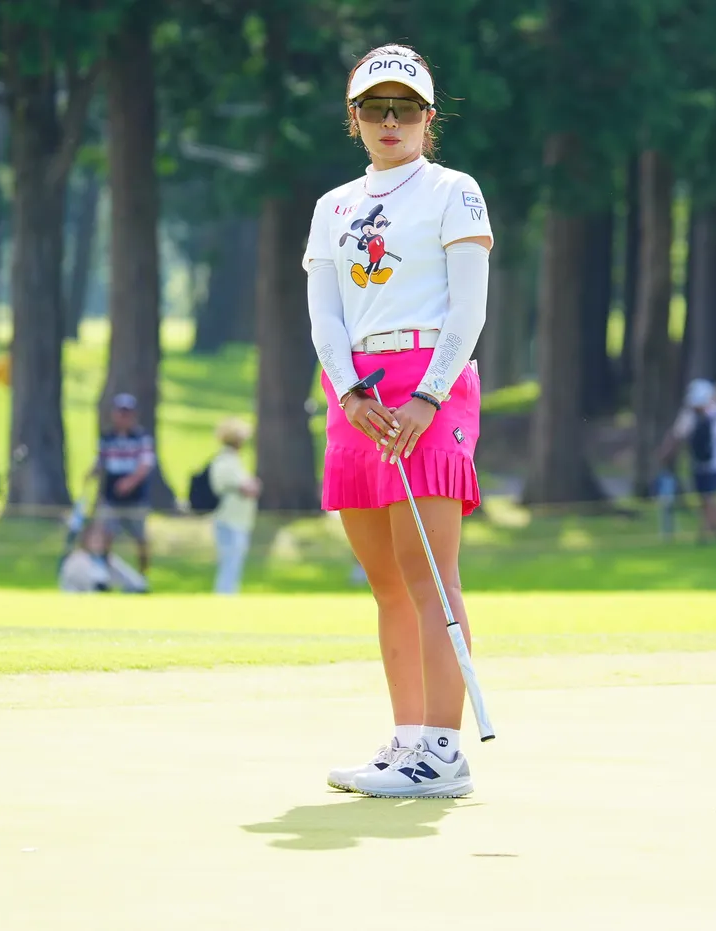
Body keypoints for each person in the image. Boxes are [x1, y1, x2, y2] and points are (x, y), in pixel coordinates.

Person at [308, 45, 492, 798]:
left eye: (406, 108)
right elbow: (325, 314)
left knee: (430, 576)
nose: (391, 121)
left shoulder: (455, 191)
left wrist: (428, 397)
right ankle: (408, 740)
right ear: (353, 117)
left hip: (429, 385)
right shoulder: (332, 207)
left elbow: (468, 310)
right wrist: (350, 393)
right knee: (386, 580)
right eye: (376, 108)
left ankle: (443, 751)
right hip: (358, 392)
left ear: (427, 116)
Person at [657, 378, 716, 543]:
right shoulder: (695, 416)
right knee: (706, 498)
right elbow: (676, 436)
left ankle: (705, 531)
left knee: (710, 497)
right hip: (700, 464)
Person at [94, 393, 155, 576]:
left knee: (140, 538)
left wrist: (130, 482)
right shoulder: (108, 438)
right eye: (120, 413)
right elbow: (101, 462)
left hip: (135, 498)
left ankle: (143, 575)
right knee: (105, 535)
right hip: (111, 497)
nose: (123, 417)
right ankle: (104, 574)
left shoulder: (141, 438)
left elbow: (145, 464)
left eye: (127, 414)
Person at [210, 418, 262, 595]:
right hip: (229, 518)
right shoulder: (225, 461)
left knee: (234, 559)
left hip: (239, 519)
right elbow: (246, 488)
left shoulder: (232, 460)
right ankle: (225, 593)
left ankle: (229, 591)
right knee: (230, 559)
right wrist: (252, 486)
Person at [58, 523, 115, 593]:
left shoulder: (107, 558)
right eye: (94, 540)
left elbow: (126, 577)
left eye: (101, 540)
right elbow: (70, 582)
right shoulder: (76, 559)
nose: (97, 544)